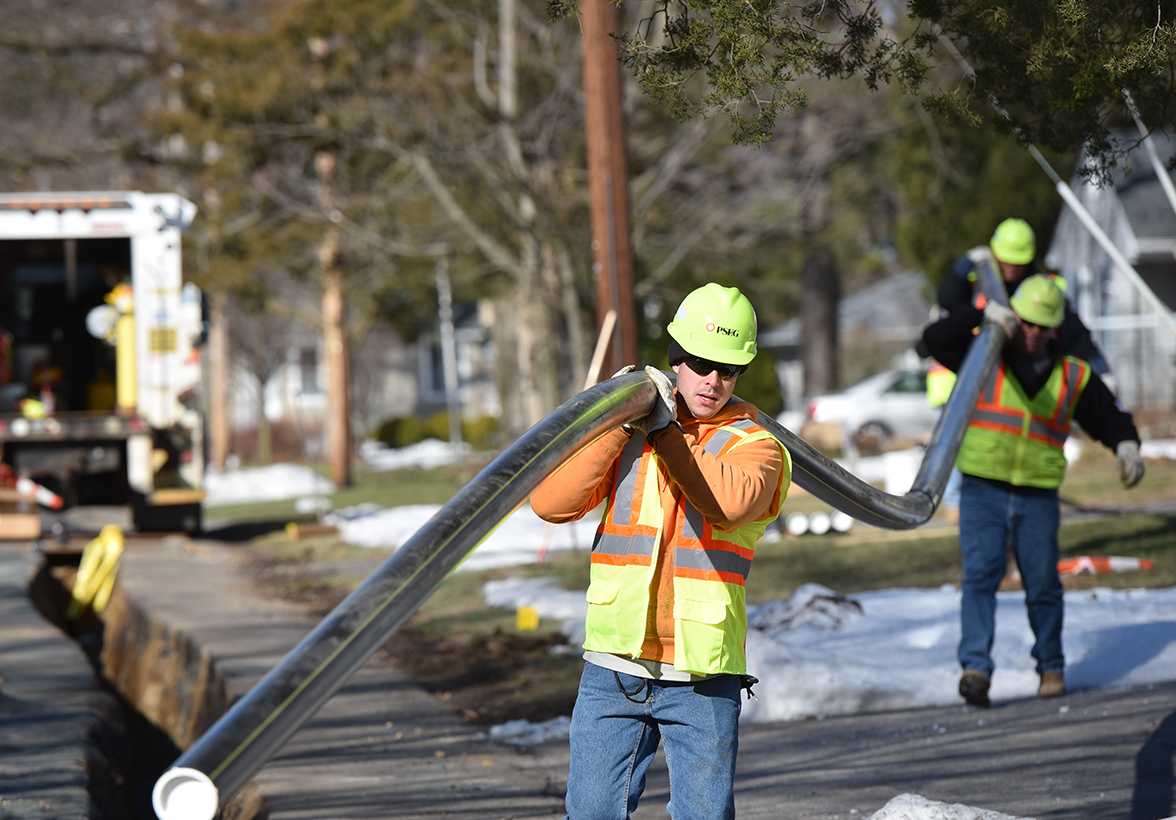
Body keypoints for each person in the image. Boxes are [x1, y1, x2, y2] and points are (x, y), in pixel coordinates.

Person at [531, 283, 789, 819]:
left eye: (728, 369)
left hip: (701, 675)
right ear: (676, 359)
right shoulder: (629, 432)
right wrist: (613, 421)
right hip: (614, 666)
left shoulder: (757, 445)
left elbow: (727, 501)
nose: (714, 381)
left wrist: (667, 431)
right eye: (699, 364)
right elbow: (550, 502)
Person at [921, 274, 1145, 707]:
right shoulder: (983, 356)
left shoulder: (1071, 374)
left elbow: (1108, 416)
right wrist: (981, 315)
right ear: (1015, 317)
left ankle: (1050, 668)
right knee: (981, 578)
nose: (1032, 333)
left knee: (1043, 584)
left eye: (1042, 326)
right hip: (982, 487)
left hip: (1038, 495)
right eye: (1025, 322)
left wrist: (1127, 445)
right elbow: (933, 338)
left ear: (1055, 327)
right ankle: (975, 670)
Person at [938, 217, 1111, 377]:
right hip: (983, 370)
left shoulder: (1044, 289)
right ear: (994, 253)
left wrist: (1100, 370)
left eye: (1017, 262)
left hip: (1033, 371)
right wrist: (969, 259)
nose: (1011, 267)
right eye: (1005, 260)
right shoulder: (977, 284)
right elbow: (946, 299)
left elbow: (1076, 334)